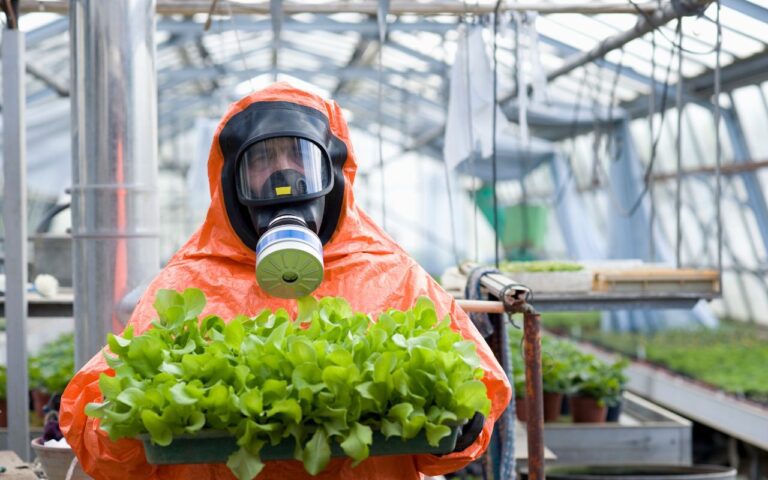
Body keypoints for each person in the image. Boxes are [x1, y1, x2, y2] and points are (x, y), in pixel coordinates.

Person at [60, 82, 511, 479]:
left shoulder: (391, 276)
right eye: (263, 160)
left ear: (332, 173)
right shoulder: (188, 283)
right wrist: (132, 426)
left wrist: (464, 428)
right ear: (231, 179)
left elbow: (466, 409)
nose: (284, 176)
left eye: (298, 155)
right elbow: (102, 445)